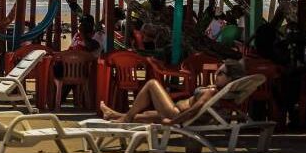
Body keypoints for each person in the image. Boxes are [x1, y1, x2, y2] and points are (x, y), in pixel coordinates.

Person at [100, 60, 246, 125]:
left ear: (229, 78)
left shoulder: (213, 91)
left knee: (152, 84)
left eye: (220, 73)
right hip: (180, 112)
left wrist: (173, 122)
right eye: (217, 70)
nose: (216, 73)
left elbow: (194, 110)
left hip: (177, 114)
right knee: (148, 115)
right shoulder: (221, 91)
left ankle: (126, 118)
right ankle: (113, 114)